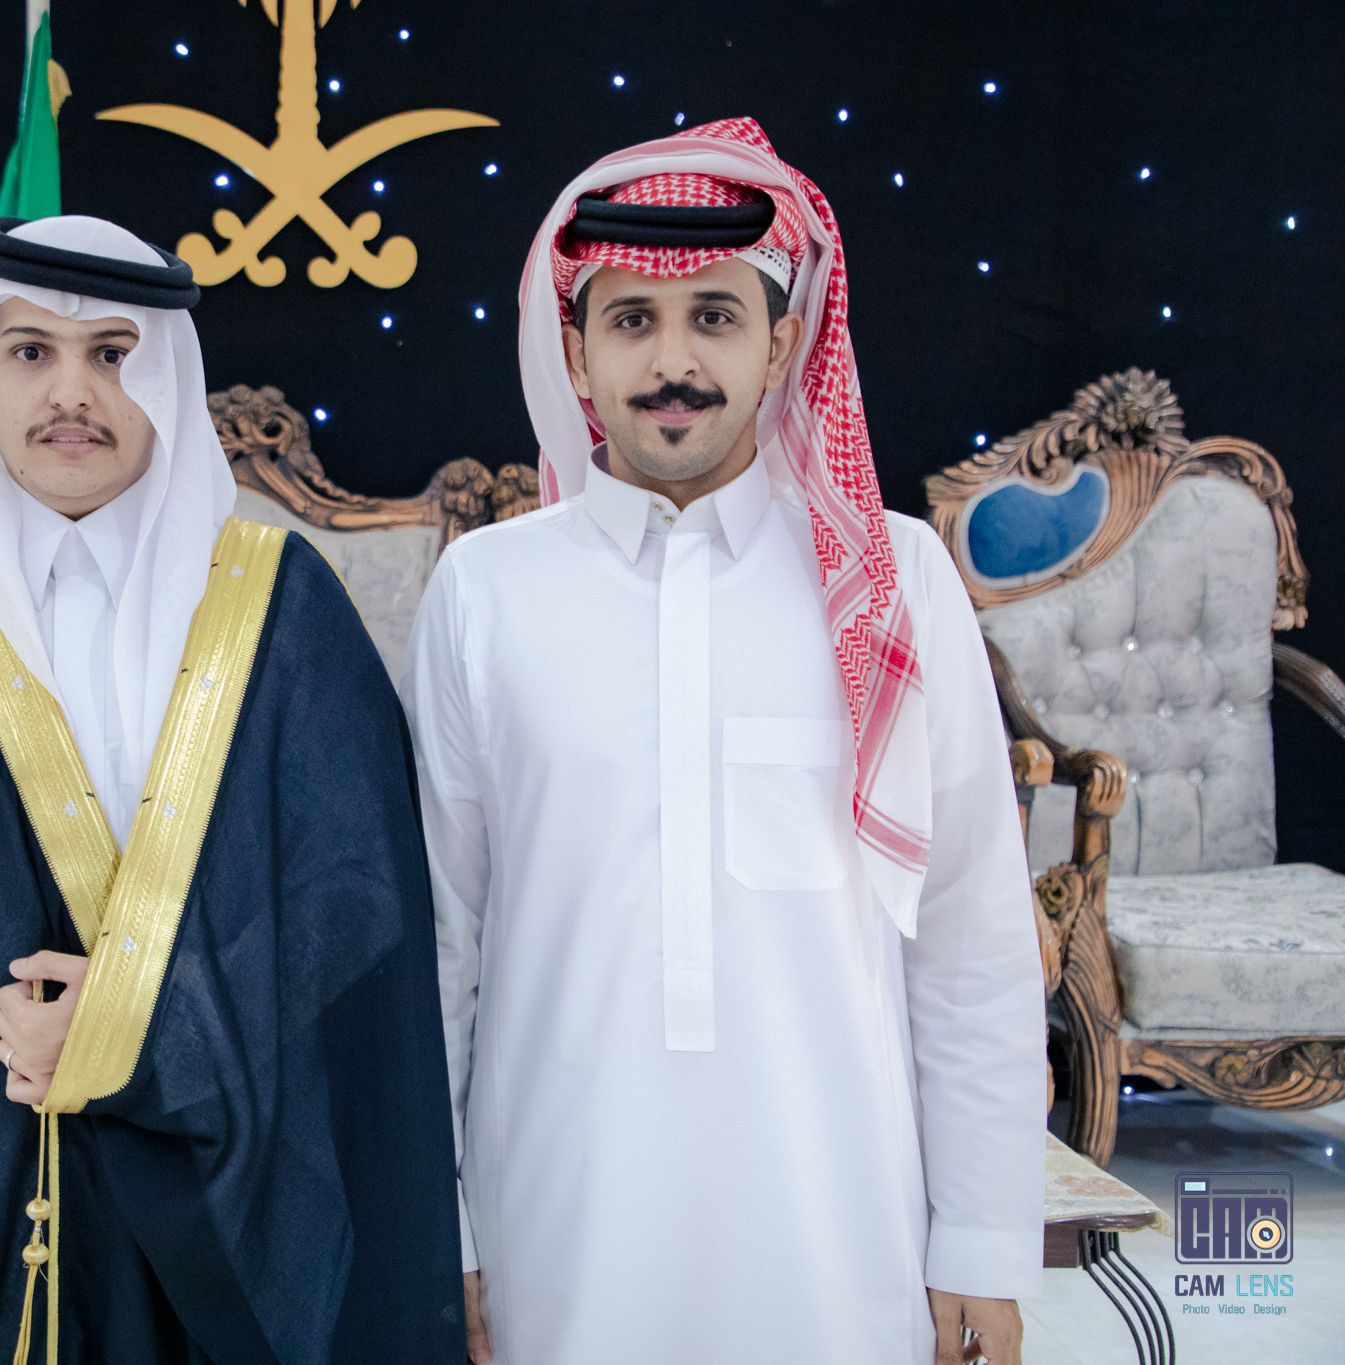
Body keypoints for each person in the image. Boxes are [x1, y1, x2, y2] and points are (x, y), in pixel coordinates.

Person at [0, 215, 463, 1365]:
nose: (72, 392)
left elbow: (354, 902)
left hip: (222, 1185)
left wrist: (141, 1034)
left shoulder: (282, 604)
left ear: (168, 382)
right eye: (30, 352)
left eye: (112, 353)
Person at [404, 119, 1047, 1365]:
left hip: (837, 1231)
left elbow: (967, 933)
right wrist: (449, 1229)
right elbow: (443, 944)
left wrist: (977, 1239)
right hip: (555, 1226)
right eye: (629, 320)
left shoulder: (892, 581)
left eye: (713, 315)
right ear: (575, 354)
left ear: (780, 346)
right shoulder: (484, 591)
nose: (672, 361)